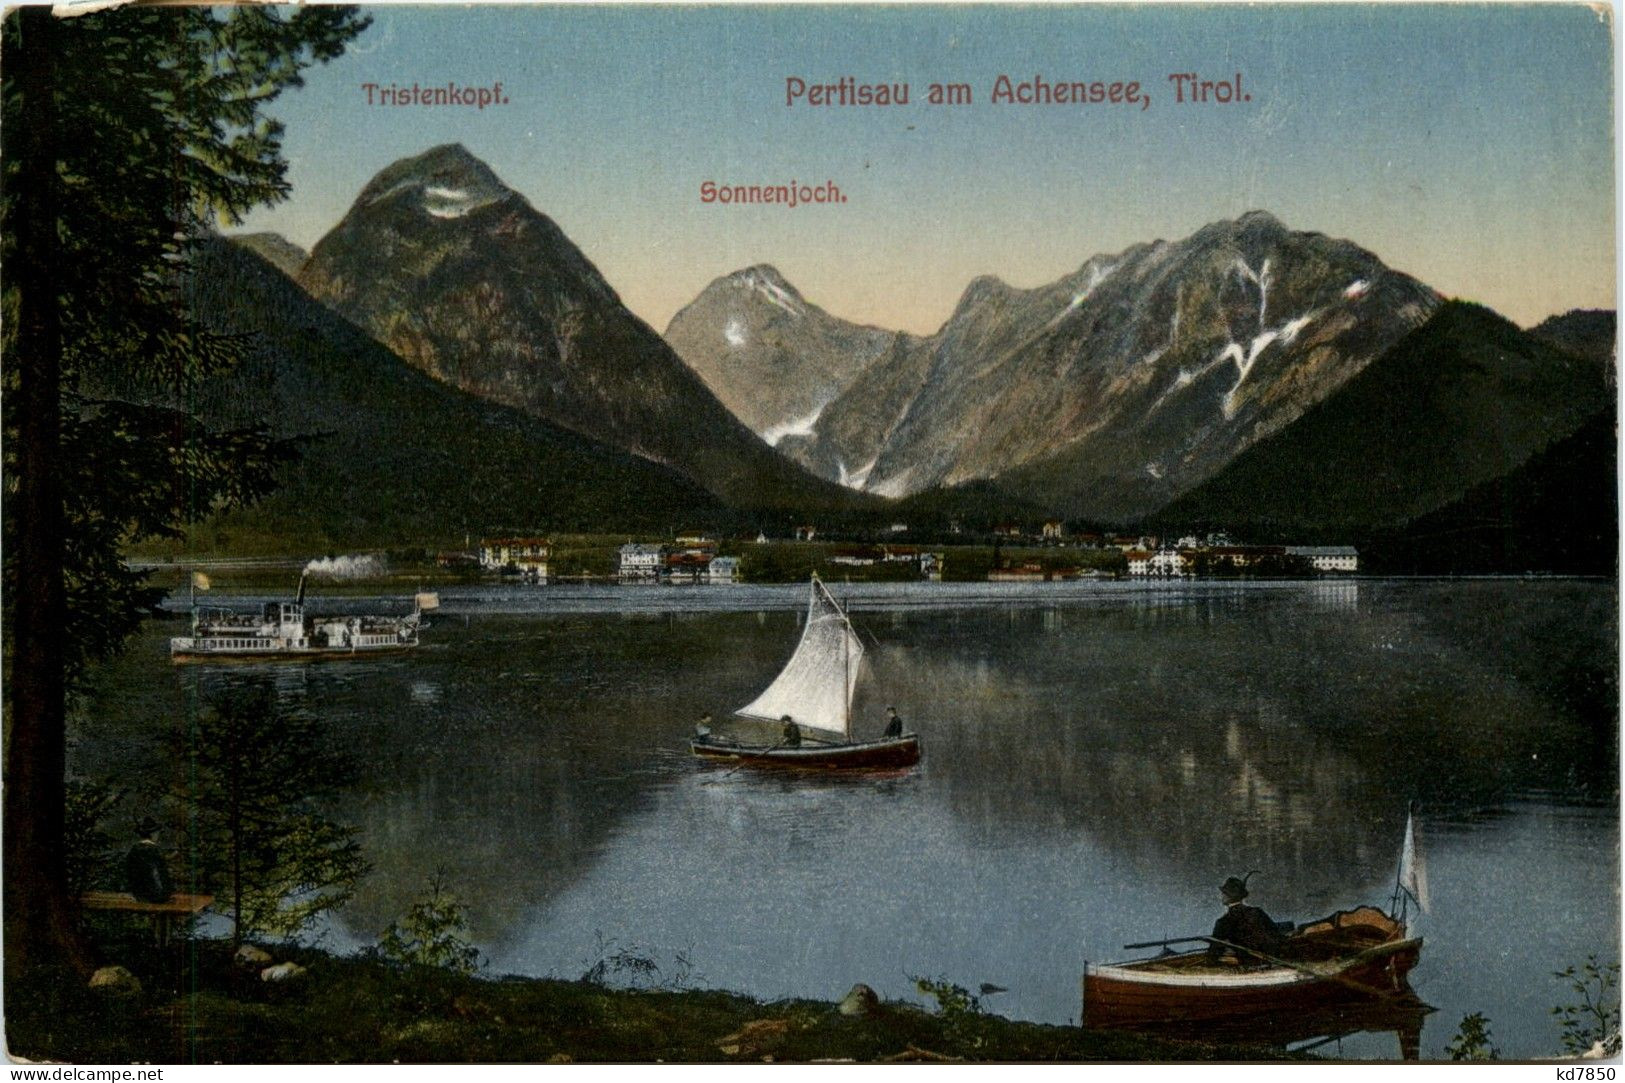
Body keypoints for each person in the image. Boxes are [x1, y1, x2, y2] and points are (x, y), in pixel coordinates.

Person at [1207, 872, 1286, 964]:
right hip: (1270, 956)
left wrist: (1231, 959)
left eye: (1223, 893)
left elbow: (1213, 953)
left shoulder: (1224, 921)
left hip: (1248, 961)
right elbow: (1276, 935)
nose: (1221, 896)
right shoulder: (1257, 911)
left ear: (1227, 896)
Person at [125, 817, 174, 904]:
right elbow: (157, 875)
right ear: (153, 834)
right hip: (157, 896)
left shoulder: (134, 850)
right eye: (157, 833)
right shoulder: (153, 850)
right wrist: (164, 894)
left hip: (139, 896)